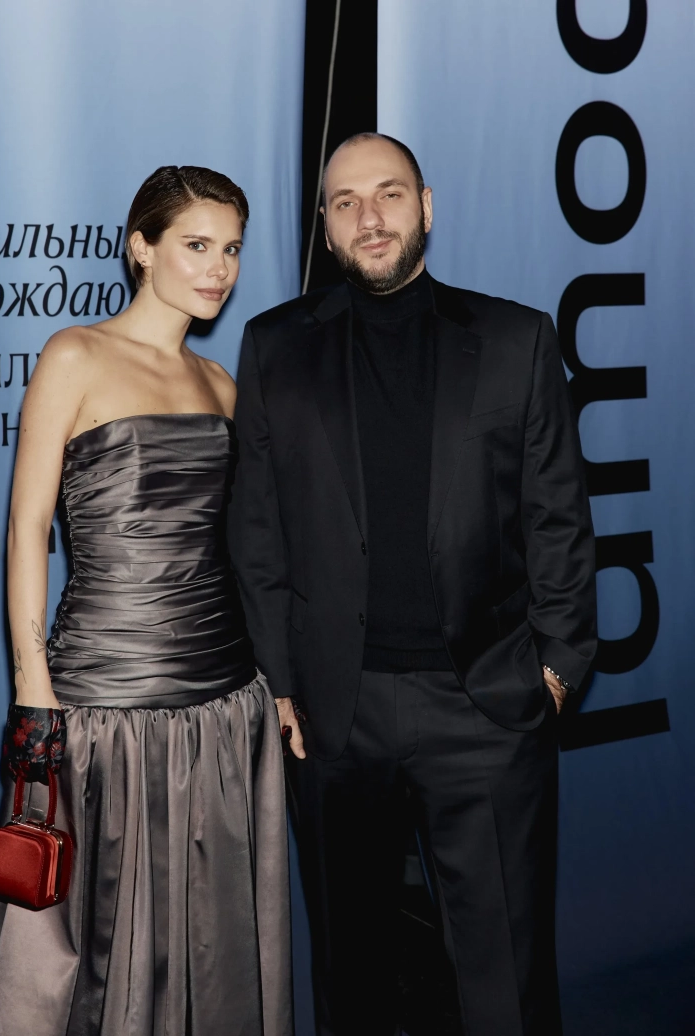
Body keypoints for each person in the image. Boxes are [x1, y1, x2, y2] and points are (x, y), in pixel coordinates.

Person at [228, 133, 597, 1036]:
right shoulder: (274, 346)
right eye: (345, 202)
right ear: (325, 228)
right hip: (335, 715)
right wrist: (281, 682)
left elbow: (558, 518)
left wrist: (556, 669)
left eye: (389, 194)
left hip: (487, 706)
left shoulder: (514, 339)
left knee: (505, 982)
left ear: (426, 206)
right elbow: (257, 530)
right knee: (351, 978)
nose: (370, 217)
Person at [0, 165, 293, 1036]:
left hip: (223, 703)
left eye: (232, 249)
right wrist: (33, 688)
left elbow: (248, 551)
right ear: (140, 247)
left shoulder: (222, 385)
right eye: (197, 245)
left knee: (207, 948)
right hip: (104, 705)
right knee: (97, 945)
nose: (219, 269)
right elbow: (27, 527)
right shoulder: (75, 355)